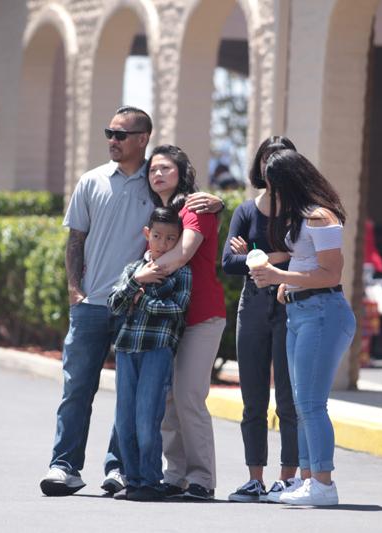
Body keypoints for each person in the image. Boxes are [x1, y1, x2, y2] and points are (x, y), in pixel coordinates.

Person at [39, 109, 224, 497]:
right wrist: (76, 290)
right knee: (77, 388)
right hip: (92, 304)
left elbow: (191, 215)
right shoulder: (91, 181)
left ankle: (119, 468)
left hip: (137, 308)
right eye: (109, 132)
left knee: (134, 396)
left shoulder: (157, 189)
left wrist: (216, 201)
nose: (112, 139)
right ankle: (64, 466)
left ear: (143, 138)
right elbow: (75, 239)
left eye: (121, 134)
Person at [248, 150, 356, 506]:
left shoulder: (320, 217)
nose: (270, 190)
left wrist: (280, 275)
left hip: (323, 313)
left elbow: (331, 273)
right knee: (301, 401)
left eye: (274, 183)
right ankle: (310, 480)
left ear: (289, 182)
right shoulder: (303, 217)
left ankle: (324, 484)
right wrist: (286, 285)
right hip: (302, 312)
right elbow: (308, 263)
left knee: (311, 403)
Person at [144, 145, 227, 501]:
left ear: (182, 172)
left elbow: (184, 253)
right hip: (169, 320)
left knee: (190, 396)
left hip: (202, 316)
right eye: (152, 170)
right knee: (169, 401)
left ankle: (202, 480)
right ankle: (175, 475)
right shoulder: (161, 213)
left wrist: (145, 273)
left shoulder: (196, 206)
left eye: (166, 168)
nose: (158, 174)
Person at [222, 136, 300, 503]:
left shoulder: (302, 211)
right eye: (267, 158)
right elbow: (228, 262)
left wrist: (254, 255)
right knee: (253, 400)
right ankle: (255, 478)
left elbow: (307, 259)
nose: (272, 165)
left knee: (287, 399)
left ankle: (287, 478)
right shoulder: (246, 211)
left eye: (280, 158)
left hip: (290, 307)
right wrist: (278, 254)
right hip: (251, 308)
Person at [107, 207, 192, 501]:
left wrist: (142, 301)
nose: (163, 243)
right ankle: (132, 480)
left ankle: (150, 481)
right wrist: (138, 282)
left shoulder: (181, 272)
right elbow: (115, 304)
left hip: (157, 351)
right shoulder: (133, 269)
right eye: (157, 236)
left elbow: (177, 310)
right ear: (147, 235)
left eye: (171, 238)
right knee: (125, 419)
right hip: (127, 349)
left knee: (147, 418)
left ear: (179, 240)